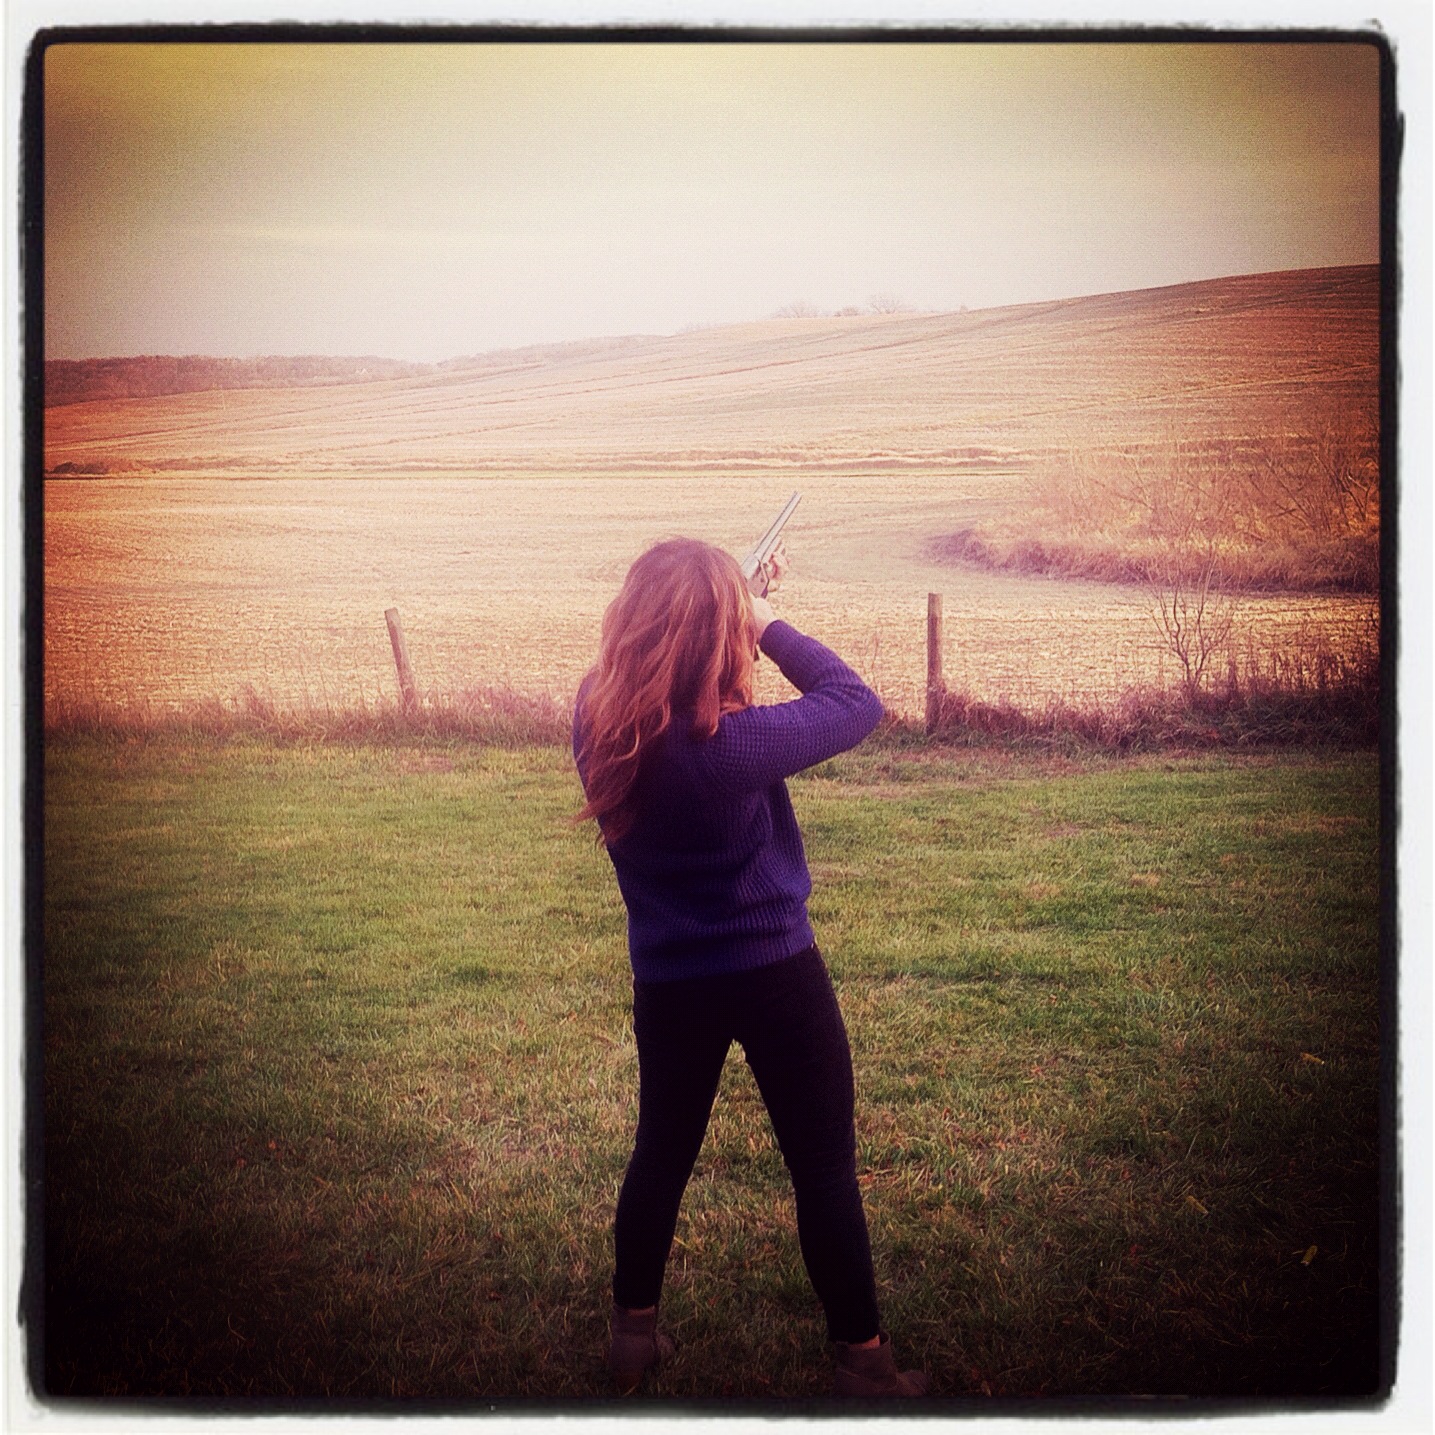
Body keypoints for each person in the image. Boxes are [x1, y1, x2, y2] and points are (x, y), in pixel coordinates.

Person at [571, 535, 929, 1398]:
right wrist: (763, 621)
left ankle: (630, 1338)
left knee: (660, 1153)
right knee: (822, 1168)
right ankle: (863, 1362)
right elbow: (854, 700)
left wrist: (723, 605)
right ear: (720, 635)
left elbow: (675, 685)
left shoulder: (596, 716)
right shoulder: (732, 748)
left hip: (669, 984)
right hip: (776, 975)